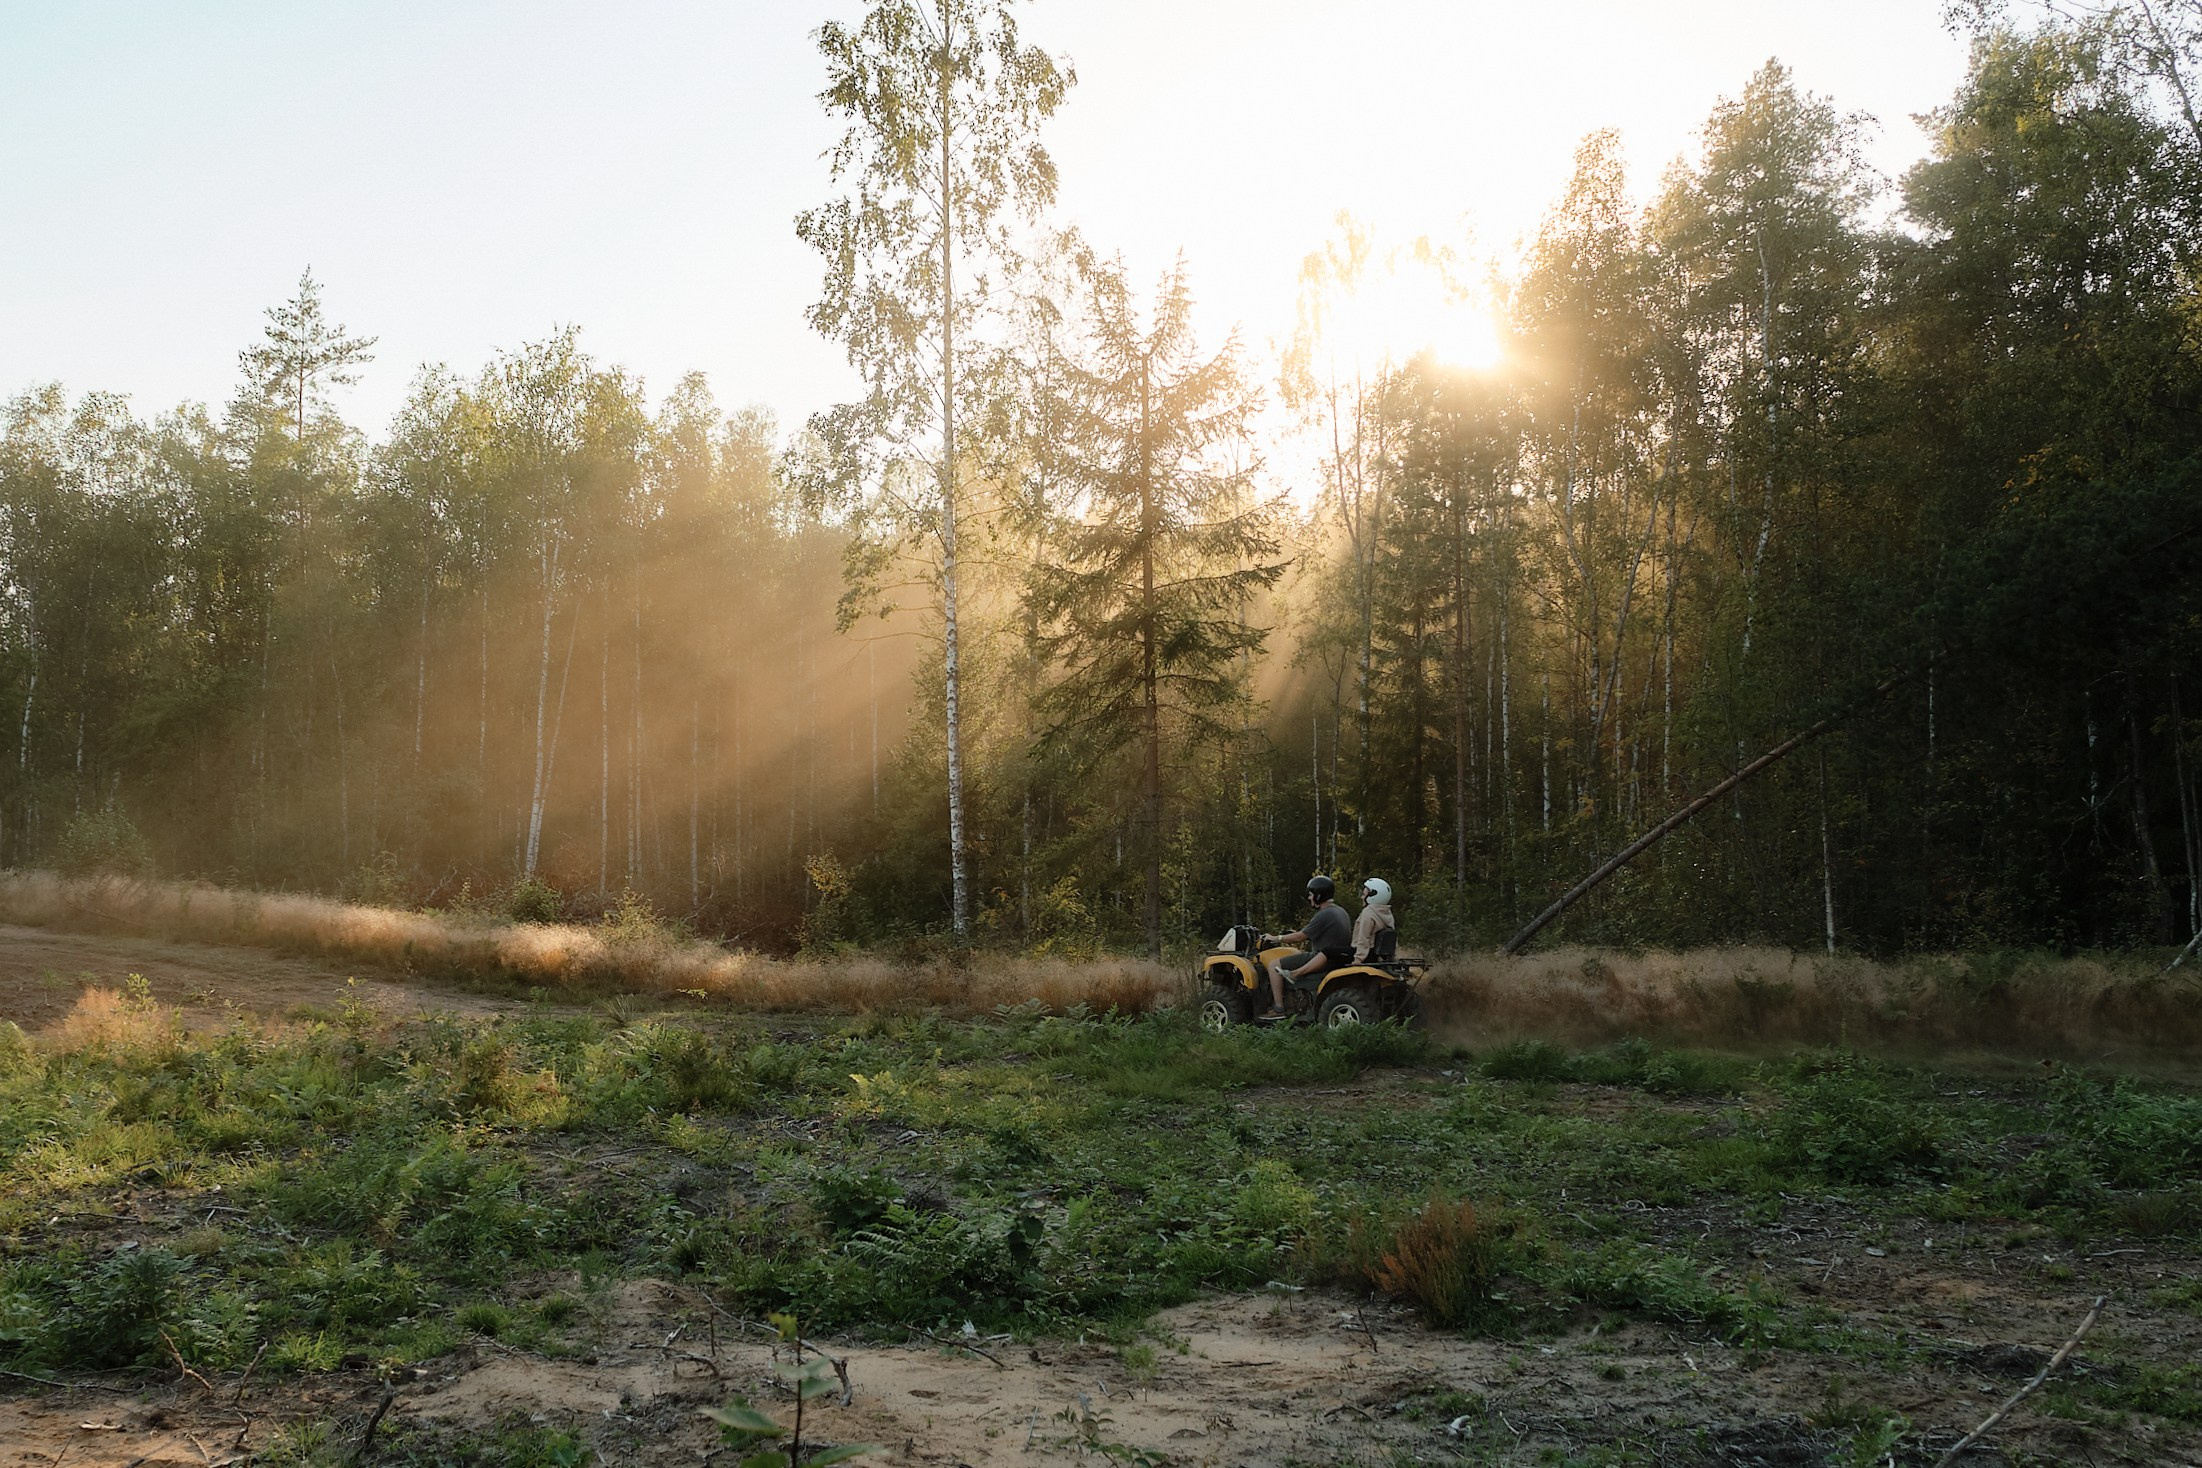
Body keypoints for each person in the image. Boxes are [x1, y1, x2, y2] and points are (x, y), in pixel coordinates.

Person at [1260, 875, 1352, 1020]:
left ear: (1318, 895)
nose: (1309, 898)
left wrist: (1275, 938)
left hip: (1319, 957)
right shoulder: (1341, 911)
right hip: (1335, 958)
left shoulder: (1324, 914)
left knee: (1273, 965)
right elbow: (1309, 933)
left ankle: (1278, 1009)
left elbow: (1300, 937)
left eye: (1310, 894)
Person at [1352, 877, 1395, 963]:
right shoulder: (1387, 912)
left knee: (1328, 951)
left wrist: (1358, 959)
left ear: (1373, 896)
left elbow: (1363, 938)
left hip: (1364, 955)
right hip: (1376, 956)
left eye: (1364, 894)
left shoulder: (1368, 913)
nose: (1361, 897)